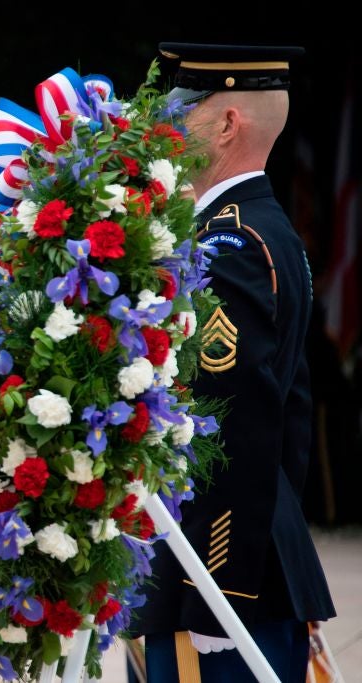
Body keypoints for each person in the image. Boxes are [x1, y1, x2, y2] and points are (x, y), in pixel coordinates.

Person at [133, 43, 336, 682]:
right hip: (244, 565)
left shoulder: (230, 246)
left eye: (185, 113)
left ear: (227, 125)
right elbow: (292, 421)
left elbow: (230, 422)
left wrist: (217, 585)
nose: (168, 129)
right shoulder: (262, 231)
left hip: (218, 580)